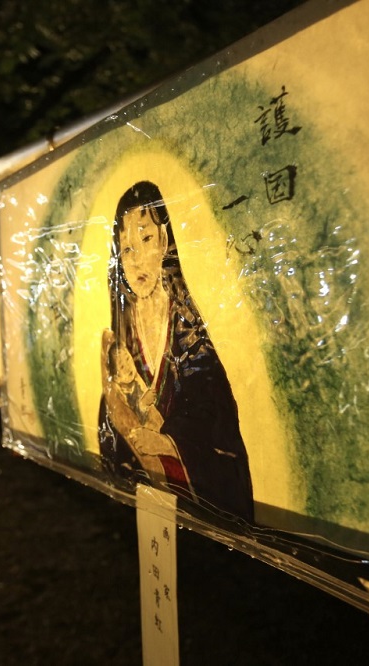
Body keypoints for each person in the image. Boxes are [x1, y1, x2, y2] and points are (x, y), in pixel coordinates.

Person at [97, 181, 254, 522]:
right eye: (126, 249)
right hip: (147, 485)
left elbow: (214, 420)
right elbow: (113, 421)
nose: (136, 259)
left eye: (146, 239)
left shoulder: (185, 328)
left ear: (164, 241)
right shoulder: (124, 333)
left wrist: (167, 442)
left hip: (193, 491)